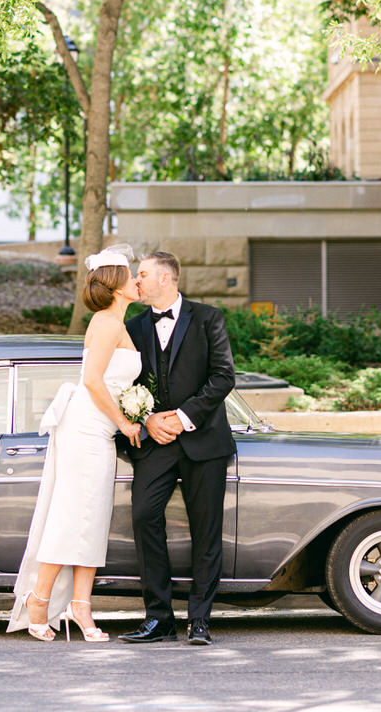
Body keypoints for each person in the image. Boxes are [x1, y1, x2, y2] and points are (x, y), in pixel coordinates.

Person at [7, 245, 145, 642]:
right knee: (71, 518)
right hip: (85, 428)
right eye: (131, 274)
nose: (137, 279)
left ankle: (80, 606)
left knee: (93, 519)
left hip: (98, 432)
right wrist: (124, 420)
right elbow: (93, 380)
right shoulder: (105, 323)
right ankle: (40, 598)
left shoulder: (118, 323)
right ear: (118, 285)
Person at [120, 251, 236, 646]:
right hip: (156, 443)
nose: (137, 281)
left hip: (204, 439)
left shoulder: (208, 318)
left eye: (143, 274)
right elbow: (122, 386)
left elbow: (223, 377)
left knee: (207, 531)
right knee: (143, 516)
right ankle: (158, 617)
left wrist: (183, 417)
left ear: (166, 279)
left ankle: (200, 619)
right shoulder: (132, 327)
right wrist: (150, 419)